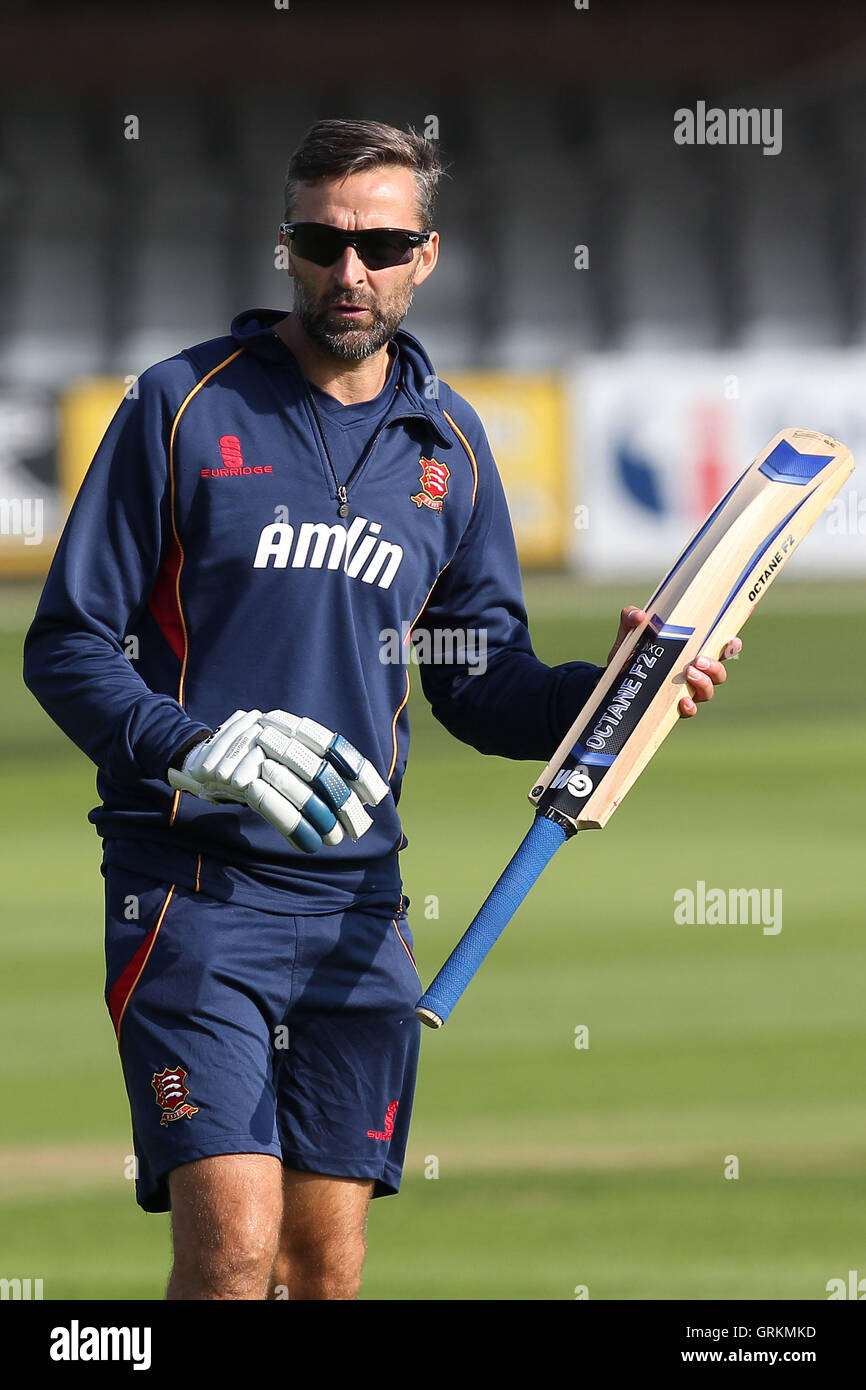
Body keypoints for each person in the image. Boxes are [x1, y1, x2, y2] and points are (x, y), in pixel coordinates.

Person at [23, 119, 736, 1300]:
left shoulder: (449, 450)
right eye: (320, 240)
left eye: (379, 243)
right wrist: (189, 745)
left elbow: (479, 680)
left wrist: (612, 694)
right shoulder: (181, 406)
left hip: (358, 901)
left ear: (425, 255)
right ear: (287, 247)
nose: (347, 270)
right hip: (194, 890)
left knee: (324, 1266)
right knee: (234, 1248)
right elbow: (67, 644)